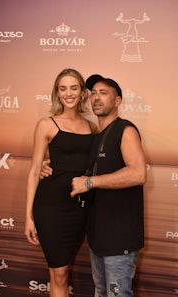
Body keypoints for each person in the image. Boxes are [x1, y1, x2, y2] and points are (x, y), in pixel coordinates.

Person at [42, 74, 147, 297]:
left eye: (104, 93)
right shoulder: (95, 136)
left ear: (117, 101)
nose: (96, 98)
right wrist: (49, 165)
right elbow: (75, 162)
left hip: (120, 239)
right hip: (98, 237)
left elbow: (138, 174)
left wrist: (89, 182)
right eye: (94, 93)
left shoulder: (125, 130)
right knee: (101, 292)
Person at [25, 68, 97, 297]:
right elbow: (35, 170)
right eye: (63, 88)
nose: (69, 93)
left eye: (74, 88)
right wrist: (28, 217)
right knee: (58, 273)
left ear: (82, 93)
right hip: (50, 207)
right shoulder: (46, 124)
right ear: (57, 92)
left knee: (64, 271)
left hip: (78, 209)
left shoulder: (92, 127)